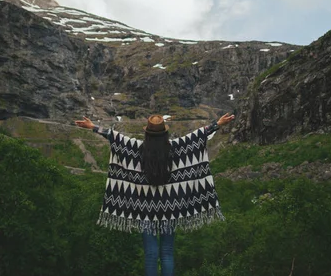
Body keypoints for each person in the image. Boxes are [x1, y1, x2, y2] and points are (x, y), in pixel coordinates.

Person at [75, 112, 235, 276]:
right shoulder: (176, 148)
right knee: (167, 253)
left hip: (145, 209)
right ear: (165, 133)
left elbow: (114, 137)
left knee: (150, 254)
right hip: (170, 208)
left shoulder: (136, 149)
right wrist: (218, 123)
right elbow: (197, 136)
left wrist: (93, 126)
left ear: (147, 133)